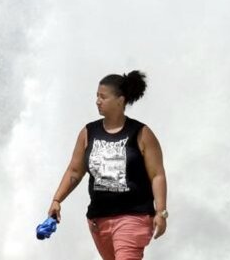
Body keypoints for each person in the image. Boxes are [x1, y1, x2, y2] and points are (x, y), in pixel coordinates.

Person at [48, 70, 168, 260]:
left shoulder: (141, 133)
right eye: (96, 96)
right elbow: (75, 170)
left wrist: (161, 211)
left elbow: (157, 175)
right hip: (99, 220)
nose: (97, 101)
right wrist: (57, 200)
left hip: (133, 217)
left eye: (103, 97)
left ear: (120, 100)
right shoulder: (89, 132)